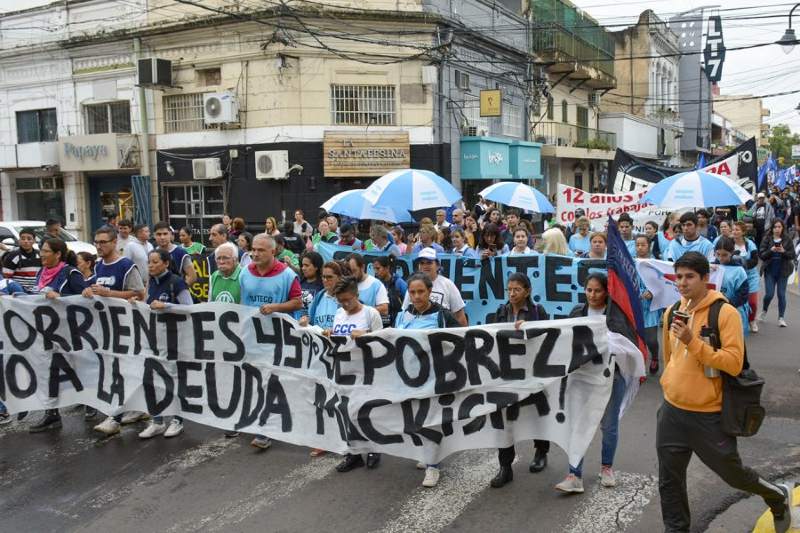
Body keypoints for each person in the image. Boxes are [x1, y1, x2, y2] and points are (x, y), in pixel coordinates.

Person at [657, 252, 791, 532]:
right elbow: (671, 358)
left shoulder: (724, 312)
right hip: (671, 412)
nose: (682, 283)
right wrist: (670, 384)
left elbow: (732, 363)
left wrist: (693, 342)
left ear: (706, 279)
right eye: (678, 276)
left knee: (734, 475)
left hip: (709, 417)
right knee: (669, 480)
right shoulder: (672, 312)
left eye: (689, 277)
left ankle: (776, 495)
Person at [555, 273, 625, 494]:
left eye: (598, 290)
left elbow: (627, 345)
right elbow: (563, 338)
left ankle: (607, 468)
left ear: (606, 292)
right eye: (589, 290)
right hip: (582, 378)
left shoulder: (616, 315)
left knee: (609, 426)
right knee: (578, 425)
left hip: (611, 377)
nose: (592, 295)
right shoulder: (577, 312)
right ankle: (574, 474)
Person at [395, 272, 462, 487]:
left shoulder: (443, 316)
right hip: (409, 379)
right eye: (412, 292)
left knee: (431, 420)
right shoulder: (402, 316)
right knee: (415, 419)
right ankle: (426, 453)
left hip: (435, 378)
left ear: (430, 292)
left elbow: (461, 341)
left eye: (421, 291)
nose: (416, 296)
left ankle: (433, 467)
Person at [240, 233, 302, 448]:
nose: (255, 253)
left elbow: (297, 302)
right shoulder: (244, 273)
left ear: (273, 251)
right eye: (253, 249)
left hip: (278, 338)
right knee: (256, 381)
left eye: (261, 250)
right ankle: (259, 422)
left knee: (271, 382)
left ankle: (266, 428)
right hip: (252, 337)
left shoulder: (287, 275)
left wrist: (275, 308)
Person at [489, 272, 550, 488]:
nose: (512, 294)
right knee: (503, 418)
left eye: (517, 289)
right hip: (506, 374)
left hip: (532, 372)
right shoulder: (501, 311)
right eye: (509, 289)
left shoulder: (537, 311)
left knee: (536, 413)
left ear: (527, 291)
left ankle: (541, 451)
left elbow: (548, 337)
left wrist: (530, 328)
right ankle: (505, 466)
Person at [86, 226, 147, 436]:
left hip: (126, 327)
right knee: (117, 372)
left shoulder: (126, 266)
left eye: (103, 242)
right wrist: (89, 291)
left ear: (114, 243)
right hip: (105, 327)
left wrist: (109, 293)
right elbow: (96, 290)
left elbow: (140, 294)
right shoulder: (98, 266)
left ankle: (115, 417)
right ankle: (140, 408)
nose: (99, 246)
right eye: (96, 242)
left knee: (122, 373)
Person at [27, 239, 88, 433]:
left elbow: (86, 303)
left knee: (79, 370)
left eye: (45, 251)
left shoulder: (71, 273)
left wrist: (60, 299)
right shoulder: (41, 273)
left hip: (71, 335)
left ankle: (92, 403)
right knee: (48, 372)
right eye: (41, 251)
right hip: (46, 334)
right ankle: (52, 415)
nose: (41, 255)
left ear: (58, 254)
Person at [326, 276, 384, 473]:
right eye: (340, 300)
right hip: (345, 370)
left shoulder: (371, 314)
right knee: (346, 412)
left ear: (357, 295)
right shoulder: (339, 314)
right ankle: (353, 454)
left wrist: (365, 336)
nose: (344, 304)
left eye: (347, 300)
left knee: (367, 412)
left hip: (367, 371)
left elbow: (383, 343)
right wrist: (329, 334)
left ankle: (374, 450)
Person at [137, 249, 194, 439]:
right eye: (149, 262)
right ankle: (157, 421)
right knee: (150, 380)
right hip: (155, 339)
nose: (151, 266)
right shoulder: (151, 281)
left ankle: (178, 419)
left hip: (176, 340)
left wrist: (167, 306)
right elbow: (147, 304)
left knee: (174, 380)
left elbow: (189, 309)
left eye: (155, 262)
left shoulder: (176, 283)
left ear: (166, 263)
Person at [401, 247, 467, 326]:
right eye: (422, 263)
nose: (425, 266)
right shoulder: (413, 285)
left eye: (429, 262)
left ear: (438, 266)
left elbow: (459, 315)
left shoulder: (448, 285)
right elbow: (404, 313)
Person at [758, 219, 796, 327]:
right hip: (770, 271)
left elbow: (792, 255)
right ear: (772, 228)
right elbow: (761, 255)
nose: (777, 229)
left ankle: (781, 318)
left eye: (779, 227)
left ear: (782, 228)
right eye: (775, 227)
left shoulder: (787, 239)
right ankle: (764, 311)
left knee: (781, 294)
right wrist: (771, 250)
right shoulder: (767, 238)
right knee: (769, 294)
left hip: (783, 271)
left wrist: (783, 252)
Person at [634, 234, 662, 374]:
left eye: (643, 244)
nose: (640, 247)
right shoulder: (630, 262)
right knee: (636, 338)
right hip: (635, 305)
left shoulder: (655, 263)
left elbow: (663, 283)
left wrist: (652, 292)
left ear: (649, 245)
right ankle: (638, 365)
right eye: (637, 245)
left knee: (651, 338)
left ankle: (655, 356)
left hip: (651, 306)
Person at [713, 237, 751, 335]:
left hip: (734, 310)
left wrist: (728, 304)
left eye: (725, 255)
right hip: (715, 311)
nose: (721, 258)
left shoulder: (739, 271)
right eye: (718, 254)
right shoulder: (711, 268)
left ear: (732, 252)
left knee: (735, 342)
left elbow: (743, 295)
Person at [0, 278, 25, 424]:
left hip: (8, 337)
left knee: (9, 373)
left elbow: (26, 306)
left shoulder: (9, 284)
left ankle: (6, 409)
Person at [732, 221, 761, 333]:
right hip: (736, 278)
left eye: (737, 230)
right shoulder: (729, 243)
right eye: (733, 229)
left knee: (752, 302)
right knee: (737, 301)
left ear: (743, 232)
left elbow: (755, 260)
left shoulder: (750, 244)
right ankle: (736, 321)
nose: (734, 232)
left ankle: (752, 320)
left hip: (750, 277)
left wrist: (743, 265)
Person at [153, 221, 198, 286]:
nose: (162, 237)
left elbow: (192, 277)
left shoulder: (181, 252)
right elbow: (150, 278)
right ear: (154, 235)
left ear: (170, 234)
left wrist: (180, 289)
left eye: (165, 234)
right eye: (159, 234)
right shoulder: (152, 252)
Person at [346, 253, 389, 318]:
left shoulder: (376, 284)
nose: (351, 275)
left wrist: (361, 311)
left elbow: (384, 309)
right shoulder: (346, 284)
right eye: (349, 272)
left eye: (354, 271)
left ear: (362, 267)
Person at [372, 255, 407, 328]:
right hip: (382, 323)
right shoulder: (376, 284)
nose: (375, 272)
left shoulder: (399, 283)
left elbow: (408, 304)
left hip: (397, 324)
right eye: (374, 269)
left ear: (387, 268)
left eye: (378, 268)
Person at [2, 227, 41, 292]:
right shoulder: (12, 256)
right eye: (23, 239)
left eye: (29, 239)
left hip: (37, 292)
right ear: (19, 240)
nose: (26, 241)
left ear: (34, 241)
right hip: (19, 293)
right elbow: (6, 279)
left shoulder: (40, 255)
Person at [299, 251, 324, 319]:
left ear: (316, 267)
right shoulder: (298, 283)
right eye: (302, 265)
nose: (303, 268)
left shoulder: (323, 286)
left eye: (307, 265)